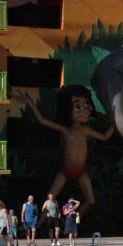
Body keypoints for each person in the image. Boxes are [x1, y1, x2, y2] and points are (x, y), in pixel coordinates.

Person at [12, 87, 114, 219]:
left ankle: (76, 219)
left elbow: (105, 137)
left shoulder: (86, 131)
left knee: (91, 200)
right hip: (65, 171)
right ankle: (39, 224)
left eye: (87, 104)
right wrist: (29, 103)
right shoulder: (66, 130)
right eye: (77, 106)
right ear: (67, 110)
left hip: (81, 171)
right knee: (50, 200)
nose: (84, 110)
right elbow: (42, 120)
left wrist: (115, 123)